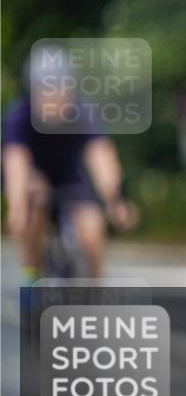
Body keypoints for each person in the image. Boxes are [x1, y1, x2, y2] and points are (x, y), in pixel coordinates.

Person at [2, 46, 138, 284]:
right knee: (31, 211)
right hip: (34, 178)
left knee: (92, 227)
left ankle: (95, 290)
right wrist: (17, 209)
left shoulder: (83, 113)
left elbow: (101, 156)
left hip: (71, 179)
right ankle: (31, 276)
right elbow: (16, 164)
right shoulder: (19, 117)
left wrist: (114, 200)